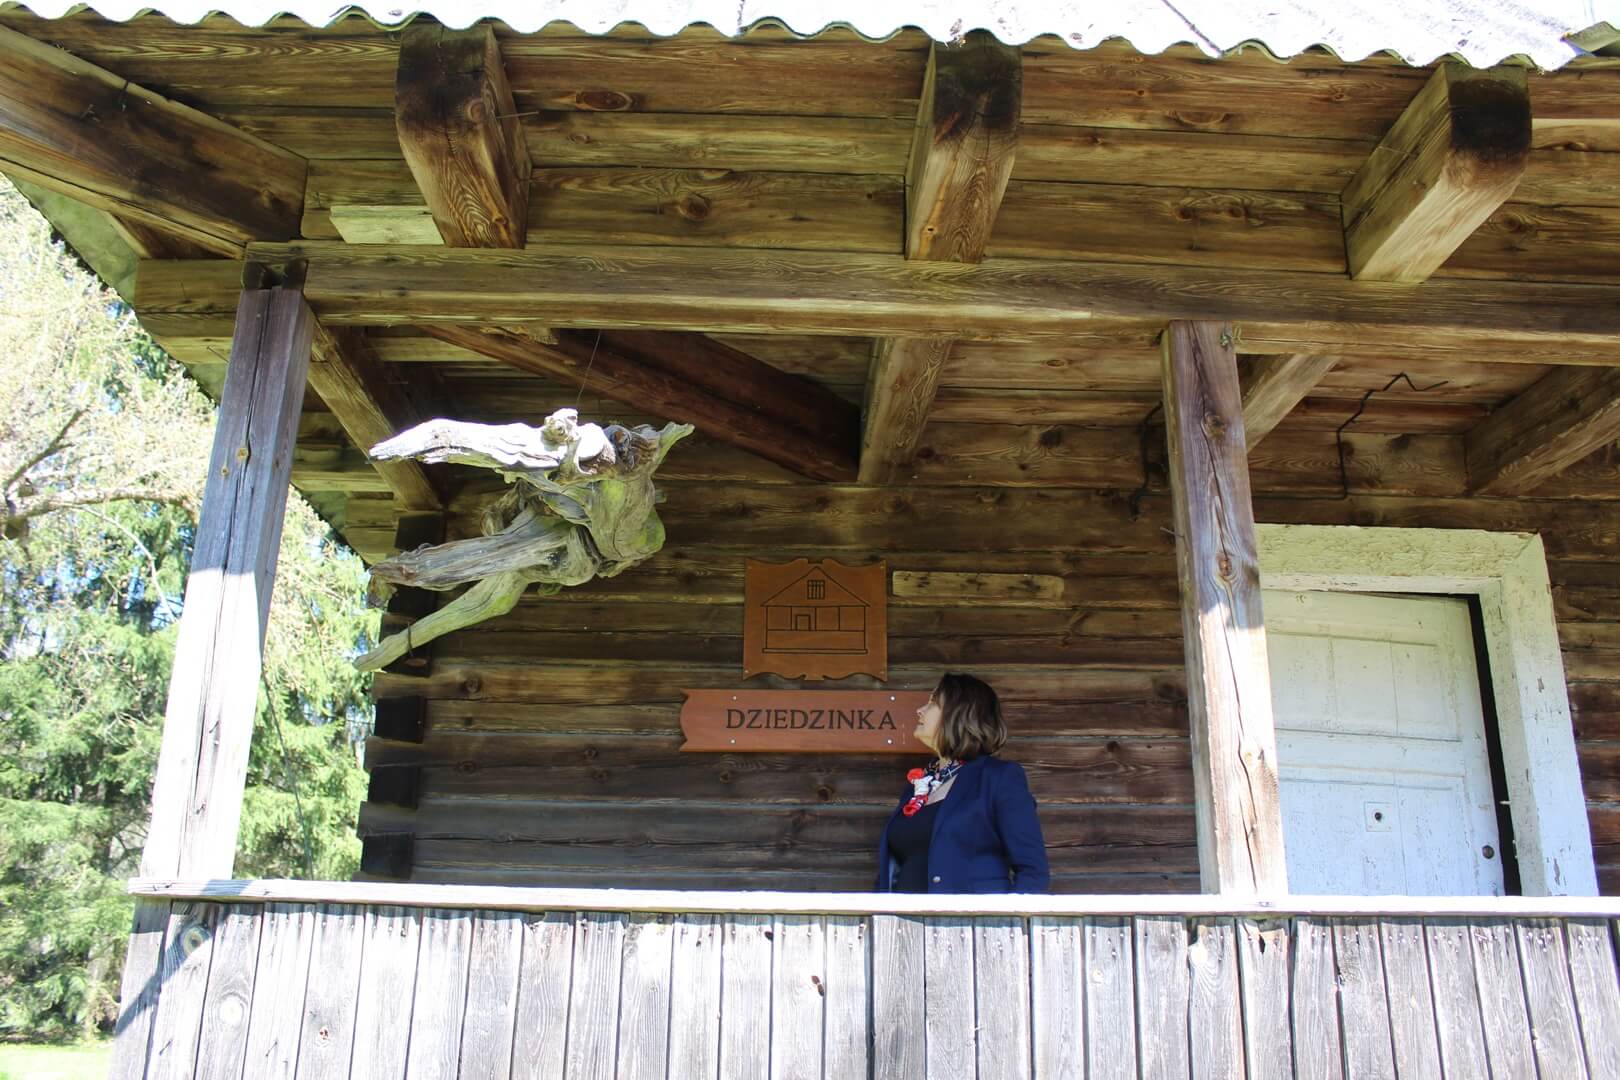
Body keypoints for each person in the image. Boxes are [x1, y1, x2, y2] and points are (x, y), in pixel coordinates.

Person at [873, 672, 1050, 893]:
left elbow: (1033, 872)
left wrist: (1004, 916)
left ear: (958, 714)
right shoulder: (919, 785)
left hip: (973, 916)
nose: (920, 710)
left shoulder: (998, 778)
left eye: (932, 703)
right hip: (902, 916)